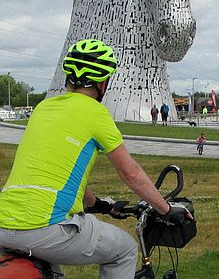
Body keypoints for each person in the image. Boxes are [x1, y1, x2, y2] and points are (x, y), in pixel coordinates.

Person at [0, 39, 190, 278]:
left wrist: (99, 203)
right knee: (124, 250)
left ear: (69, 75)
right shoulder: (96, 113)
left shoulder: (42, 109)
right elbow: (130, 173)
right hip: (46, 227)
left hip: (4, 223)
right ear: (102, 82)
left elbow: (60, 172)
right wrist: (165, 209)